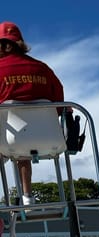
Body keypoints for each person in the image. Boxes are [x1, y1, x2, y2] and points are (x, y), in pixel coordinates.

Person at [0, 22, 64, 206]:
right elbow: (59, 100)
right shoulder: (43, 68)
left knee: (14, 140)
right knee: (23, 143)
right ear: (20, 42)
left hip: (8, 140)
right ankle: (27, 197)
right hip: (50, 137)